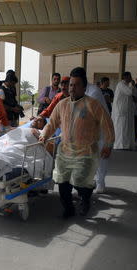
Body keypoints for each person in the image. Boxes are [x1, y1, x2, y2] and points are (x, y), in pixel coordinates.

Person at [39, 67, 115, 218]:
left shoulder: (93, 105)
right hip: (65, 151)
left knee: (81, 181)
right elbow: (52, 123)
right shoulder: (62, 105)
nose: (72, 88)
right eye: (71, 85)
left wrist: (108, 145)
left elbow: (108, 126)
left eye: (76, 85)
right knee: (63, 185)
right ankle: (68, 209)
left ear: (84, 87)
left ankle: (85, 199)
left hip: (86, 152)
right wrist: (44, 136)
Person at [112, 71, 136, 150]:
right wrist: (131, 85)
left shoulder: (126, 85)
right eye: (130, 76)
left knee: (126, 128)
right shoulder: (121, 84)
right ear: (125, 77)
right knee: (121, 128)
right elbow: (129, 92)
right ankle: (120, 145)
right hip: (121, 111)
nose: (131, 78)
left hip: (126, 111)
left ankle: (126, 144)